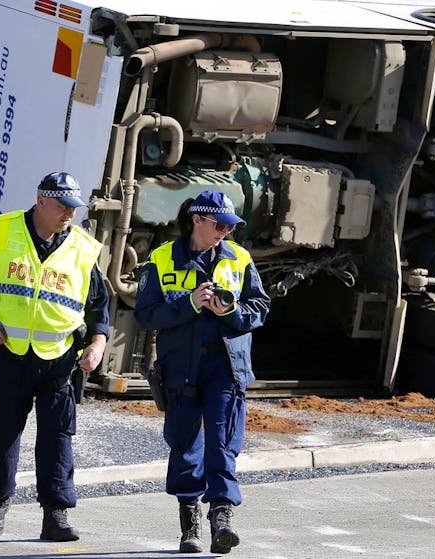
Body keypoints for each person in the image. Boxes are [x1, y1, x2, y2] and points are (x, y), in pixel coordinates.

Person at [0, 171, 109, 541]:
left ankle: (55, 515)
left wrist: (97, 344)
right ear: (41, 201)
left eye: (74, 208)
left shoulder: (83, 247)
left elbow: (99, 307)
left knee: (57, 437)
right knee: (0, 433)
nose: (69, 214)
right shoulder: (2, 231)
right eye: (62, 206)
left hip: (60, 359)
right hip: (11, 352)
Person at [134, 190, 271, 554]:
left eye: (231, 225)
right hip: (181, 367)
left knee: (222, 441)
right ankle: (189, 519)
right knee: (184, 444)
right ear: (197, 220)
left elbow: (260, 306)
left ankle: (222, 517)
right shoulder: (161, 259)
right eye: (220, 224)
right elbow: (146, 315)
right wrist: (190, 303)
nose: (225, 231)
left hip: (226, 364)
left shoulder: (239, 258)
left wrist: (230, 312)